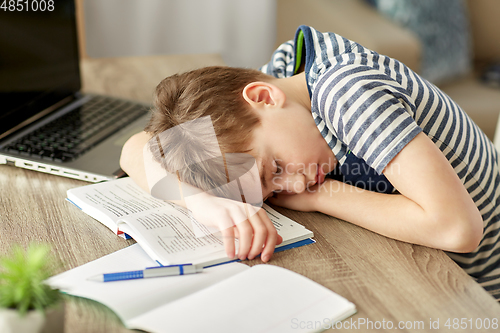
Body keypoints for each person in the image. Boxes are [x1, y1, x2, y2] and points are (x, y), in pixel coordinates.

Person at [120, 25, 500, 300]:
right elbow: (136, 147)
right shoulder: (286, 73)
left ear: (264, 97)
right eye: (271, 190)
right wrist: (202, 203)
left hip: (479, 291)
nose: (292, 187)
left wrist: (321, 197)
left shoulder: (346, 91)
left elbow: (457, 230)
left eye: (276, 169)